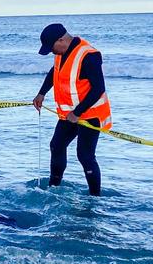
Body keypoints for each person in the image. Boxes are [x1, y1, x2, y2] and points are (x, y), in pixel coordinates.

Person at [32, 22, 111, 196]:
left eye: (51, 48)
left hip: (90, 113)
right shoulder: (62, 52)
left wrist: (77, 112)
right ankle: (54, 188)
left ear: (61, 40)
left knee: (85, 155)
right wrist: (41, 93)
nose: (51, 52)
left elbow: (99, 89)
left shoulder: (89, 55)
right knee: (56, 145)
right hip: (69, 114)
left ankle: (95, 197)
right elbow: (55, 72)